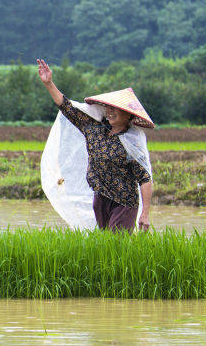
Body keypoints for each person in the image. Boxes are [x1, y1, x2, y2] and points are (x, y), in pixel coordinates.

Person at [37, 59, 153, 232]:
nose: (110, 111)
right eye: (108, 108)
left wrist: (145, 213)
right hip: (100, 198)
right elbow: (66, 107)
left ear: (128, 115)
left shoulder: (131, 143)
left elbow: (145, 179)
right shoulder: (94, 130)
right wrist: (49, 83)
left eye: (116, 109)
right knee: (105, 243)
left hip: (125, 201)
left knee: (117, 243)